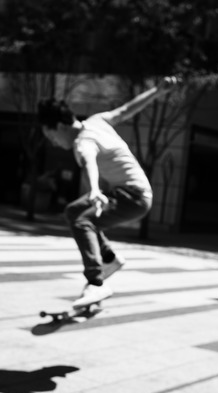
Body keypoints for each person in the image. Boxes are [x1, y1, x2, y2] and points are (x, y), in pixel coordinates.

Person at [38, 76, 179, 307]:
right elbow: (127, 109)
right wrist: (156, 91)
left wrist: (94, 189)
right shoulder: (97, 121)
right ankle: (109, 259)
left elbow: (90, 163)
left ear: (61, 127)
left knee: (85, 222)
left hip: (133, 196)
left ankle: (96, 283)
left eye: (51, 136)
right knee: (74, 211)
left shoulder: (82, 143)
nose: (54, 143)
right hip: (134, 192)